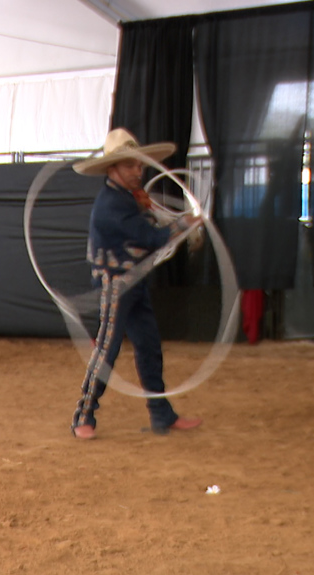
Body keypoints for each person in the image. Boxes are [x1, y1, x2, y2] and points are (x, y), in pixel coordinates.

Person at [68, 128, 203, 441]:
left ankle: (161, 413)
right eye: (130, 165)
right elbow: (151, 239)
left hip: (134, 280)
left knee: (148, 345)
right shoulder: (111, 205)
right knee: (107, 349)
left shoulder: (127, 199)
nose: (138, 171)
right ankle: (83, 415)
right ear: (113, 168)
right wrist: (182, 225)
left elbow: (148, 232)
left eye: (139, 165)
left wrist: (155, 214)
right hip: (115, 284)